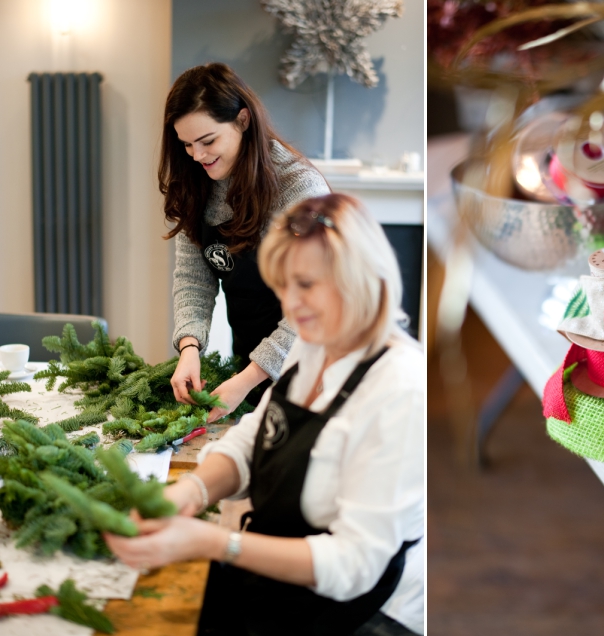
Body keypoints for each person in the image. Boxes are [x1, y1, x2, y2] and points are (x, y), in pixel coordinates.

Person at [105, 193, 425, 636]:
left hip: (354, 614)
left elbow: (354, 565)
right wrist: (191, 493)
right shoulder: (316, 344)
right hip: (272, 583)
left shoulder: (401, 387)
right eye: (284, 287)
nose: (292, 305)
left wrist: (214, 542)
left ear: (361, 277)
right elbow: (251, 439)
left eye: (307, 285)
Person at [160, 62, 329, 421]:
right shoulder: (195, 184)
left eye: (208, 141)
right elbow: (193, 279)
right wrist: (189, 348)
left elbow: (316, 302)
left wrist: (250, 378)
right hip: (247, 357)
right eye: (187, 144)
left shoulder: (299, 189)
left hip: (313, 366)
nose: (198, 155)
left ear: (243, 120)